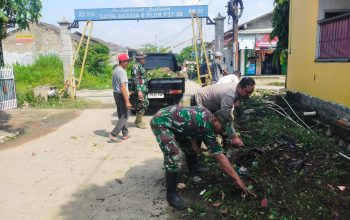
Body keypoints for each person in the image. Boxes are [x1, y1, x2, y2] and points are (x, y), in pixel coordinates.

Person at [150, 105, 252, 210]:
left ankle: (193, 168)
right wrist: (237, 179)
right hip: (161, 122)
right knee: (173, 154)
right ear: (215, 119)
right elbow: (220, 157)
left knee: (188, 147)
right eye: (222, 127)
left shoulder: (208, 116)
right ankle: (171, 194)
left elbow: (192, 127)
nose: (223, 131)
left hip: (175, 122)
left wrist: (193, 144)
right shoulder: (206, 126)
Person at [109, 54, 131, 142]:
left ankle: (125, 134)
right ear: (122, 62)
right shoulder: (122, 72)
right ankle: (113, 134)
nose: (128, 63)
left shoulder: (115, 70)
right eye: (126, 61)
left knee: (121, 114)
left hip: (116, 94)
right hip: (121, 95)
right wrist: (127, 101)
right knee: (125, 115)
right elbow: (123, 87)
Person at [131, 53, 149, 129]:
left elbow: (142, 78)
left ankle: (137, 120)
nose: (145, 60)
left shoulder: (140, 66)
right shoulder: (136, 67)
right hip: (140, 89)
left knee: (145, 103)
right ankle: (139, 122)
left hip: (143, 89)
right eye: (144, 58)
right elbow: (135, 79)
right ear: (139, 59)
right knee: (141, 105)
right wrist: (139, 91)